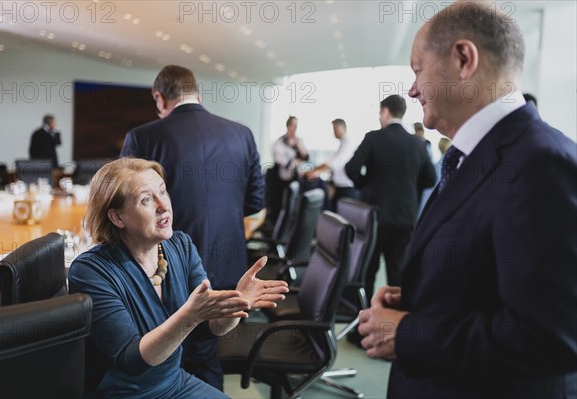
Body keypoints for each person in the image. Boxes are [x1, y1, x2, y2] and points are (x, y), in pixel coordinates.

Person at [358, 3, 577, 398]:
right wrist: (424, 295)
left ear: (463, 59)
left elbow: (549, 337)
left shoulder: (540, 163)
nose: (411, 89)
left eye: (417, 69)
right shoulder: (476, 156)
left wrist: (408, 333)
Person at [68, 158, 288, 398]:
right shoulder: (91, 271)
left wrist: (234, 306)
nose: (164, 206)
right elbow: (132, 360)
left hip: (174, 382)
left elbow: (208, 327)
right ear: (117, 218)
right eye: (147, 199)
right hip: (123, 394)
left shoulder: (180, 246)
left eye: (163, 191)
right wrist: (190, 315)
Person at [120, 65, 264, 390]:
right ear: (196, 91)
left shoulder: (142, 137)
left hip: (164, 271)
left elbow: (124, 209)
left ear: (160, 97)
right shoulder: (242, 133)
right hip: (228, 267)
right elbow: (255, 202)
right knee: (205, 354)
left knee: (162, 361)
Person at [345, 95, 436, 295]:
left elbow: (351, 168)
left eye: (380, 113)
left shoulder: (373, 138)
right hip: (405, 217)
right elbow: (430, 179)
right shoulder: (418, 144)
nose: (379, 117)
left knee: (368, 269)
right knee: (398, 270)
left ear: (386, 111)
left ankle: (364, 318)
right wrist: (409, 187)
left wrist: (366, 184)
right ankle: (396, 319)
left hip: (375, 216)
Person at [306, 118, 359, 211]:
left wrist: (317, 172)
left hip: (347, 189)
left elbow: (335, 163)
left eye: (335, 129)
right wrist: (313, 170)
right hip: (339, 187)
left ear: (342, 128)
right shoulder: (341, 144)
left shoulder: (349, 143)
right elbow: (329, 161)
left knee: (341, 218)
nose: (333, 132)